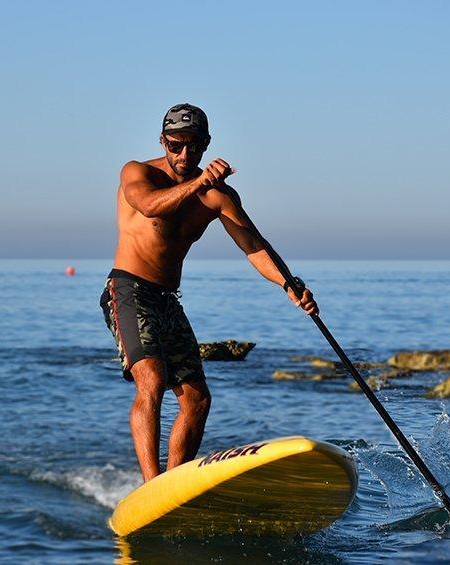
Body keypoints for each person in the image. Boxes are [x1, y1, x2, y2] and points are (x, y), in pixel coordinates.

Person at [100, 103, 318, 482]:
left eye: (193, 146)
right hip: (127, 289)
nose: (183, 155)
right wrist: (200, 182)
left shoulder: (218, 196)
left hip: (167, 300)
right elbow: (151, 205)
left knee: (197, 399)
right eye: (175, 145)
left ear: (206, 145)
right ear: (162, 141)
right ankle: (152, 487)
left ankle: (174, 484)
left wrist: (288, 282)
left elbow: (253, 244)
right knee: (151, 379)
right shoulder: (138, 172)